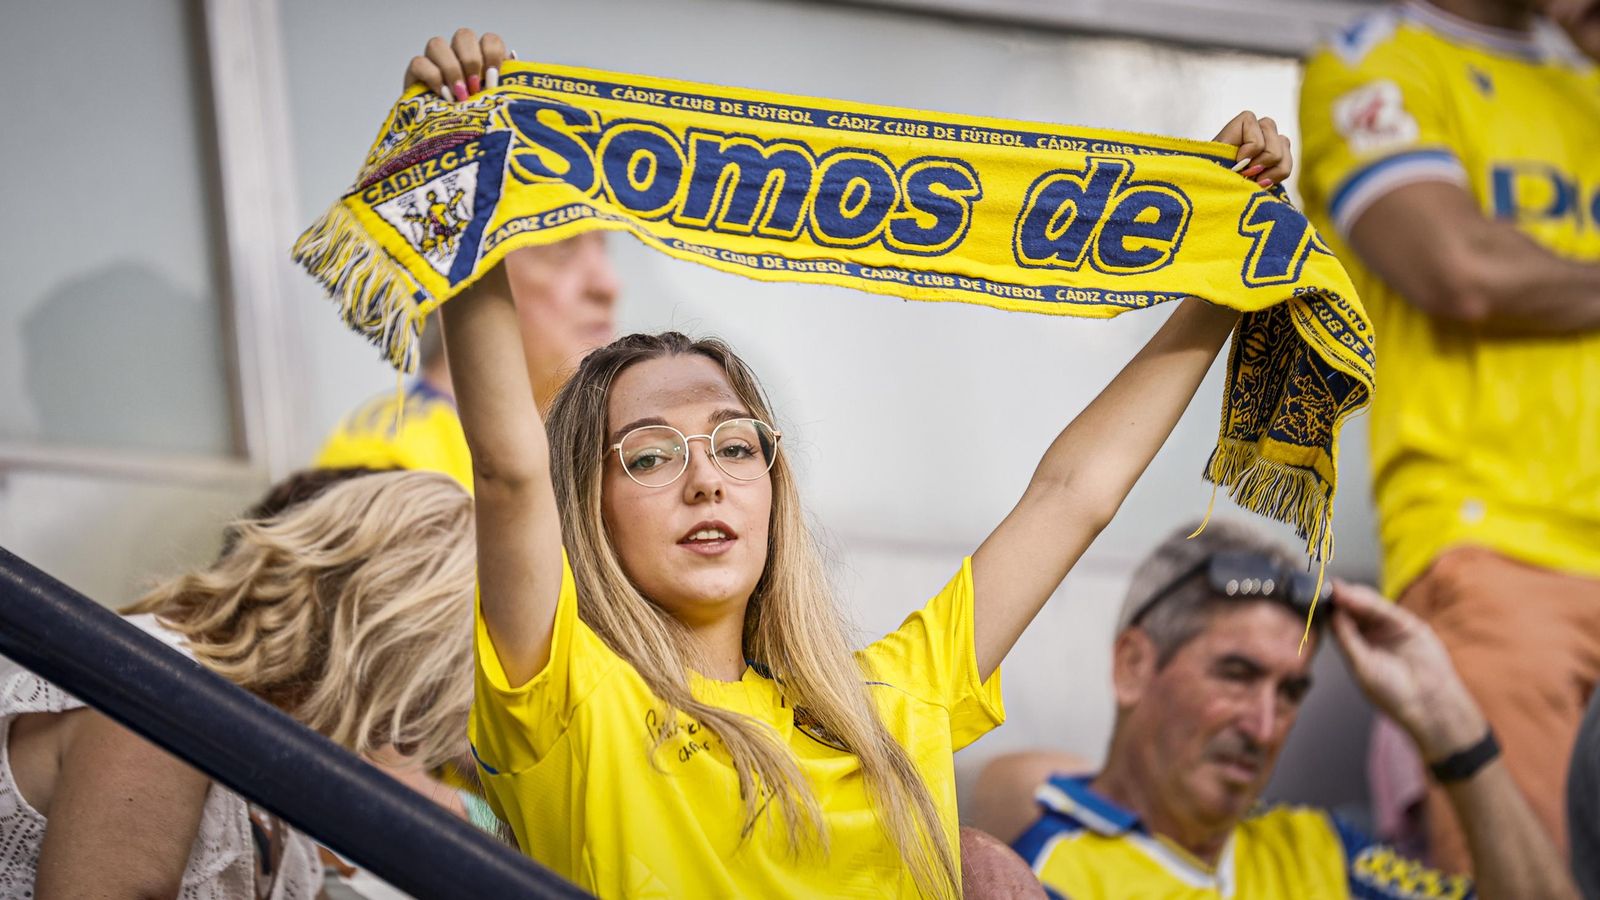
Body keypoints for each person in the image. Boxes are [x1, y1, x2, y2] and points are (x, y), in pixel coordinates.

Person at [436, 28, 1292, 894]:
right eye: (651, 457)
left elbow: (1074, 493)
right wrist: (463, 172)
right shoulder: (565, 701)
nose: (707, 479)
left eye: (737, 446)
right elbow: (509, 470)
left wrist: (1220, 281)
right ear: (587, 506)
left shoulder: (886, 706)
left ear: (775, 487)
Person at [1298, 0, 1600, 870]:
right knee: (1529, 878)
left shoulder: (1584, 72)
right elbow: (1456, 269)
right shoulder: (1373, 63)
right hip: (1496, 551)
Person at [1005, 520, 1575, 899]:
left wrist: (1449, 724)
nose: (1264, 725)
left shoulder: (1321, 848)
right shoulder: (1046, 872)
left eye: (1291, 692)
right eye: (1236, 674)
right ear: (1133, 665)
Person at [0, 470, 476, 899]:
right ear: (382, 645)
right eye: (434, 682)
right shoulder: (164, 695)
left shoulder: (277, 738)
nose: (421, 722)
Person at [317, 31, 621, 491]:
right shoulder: (389, 461)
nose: (608, 284)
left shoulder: (599, 461)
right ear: (457, 269)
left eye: (604, 248)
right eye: (560, 247)